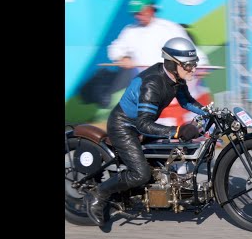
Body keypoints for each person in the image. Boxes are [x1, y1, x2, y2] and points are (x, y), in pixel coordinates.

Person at [84, 37, 206, 227]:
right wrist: (177, 131)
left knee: (167, 157)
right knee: (140, 174)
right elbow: (143, 125)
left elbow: (187, 101)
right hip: (124, 126)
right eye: (188, 65)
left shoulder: (176, 79)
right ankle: (99, 194)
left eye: (194, 64)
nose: (193, 69)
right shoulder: (153, 84)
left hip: (141, 124)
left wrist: (211, 112)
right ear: (173, 64)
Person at [107, 0, 212, 126]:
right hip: (147, 90)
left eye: (141, 12)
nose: (138, 16)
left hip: (171, 87)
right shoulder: (130, 31)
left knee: (183, 127)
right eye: (135, 14)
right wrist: (122, 57)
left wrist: (201, 65)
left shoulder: (169, 28)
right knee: (153, 128)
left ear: (150, 9)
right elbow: (114, 49)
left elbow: (190, 48)